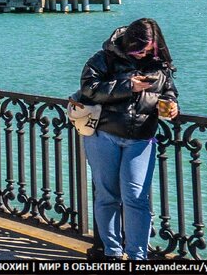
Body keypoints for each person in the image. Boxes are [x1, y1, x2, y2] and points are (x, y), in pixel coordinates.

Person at [78, 18, 179, 261]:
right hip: (104, 134)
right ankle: (112, 253)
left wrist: (173, 107)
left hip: (141, 138)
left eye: (146, 49)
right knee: (107, 195)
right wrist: (128, 86)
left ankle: (137, 256)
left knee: (136, 198)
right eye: (137, 49)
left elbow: (169, 91)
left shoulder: (160, 65)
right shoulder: (103, 58)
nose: (141, 54)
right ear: (127, 42)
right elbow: (88, 89)